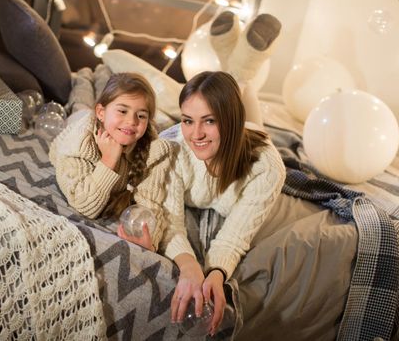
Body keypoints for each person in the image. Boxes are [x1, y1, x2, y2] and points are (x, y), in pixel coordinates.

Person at [121, 71, 285, 336]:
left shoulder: (267, 167)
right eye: (188, 120)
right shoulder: (171, 149)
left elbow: (235, 237)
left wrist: (217, 273)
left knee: (252, 110)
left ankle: (245, 84)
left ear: (230, 121)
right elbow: (169, 220)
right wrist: (189, 266)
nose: (195, 134)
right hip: (222, 135)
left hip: (247, 134)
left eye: (209, 120)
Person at [49, 72, 177, 251]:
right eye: (123, 111)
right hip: (79, 119)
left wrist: (150, 241)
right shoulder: (80, 141)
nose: (131, 121)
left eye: (141, 116)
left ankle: (102, 74)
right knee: (80, 104)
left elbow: (152, 203)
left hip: (102, 117)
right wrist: (109, 160)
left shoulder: (154, 150)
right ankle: (84, 77)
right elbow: (86, 205)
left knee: (95, 96)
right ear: (101, 113)